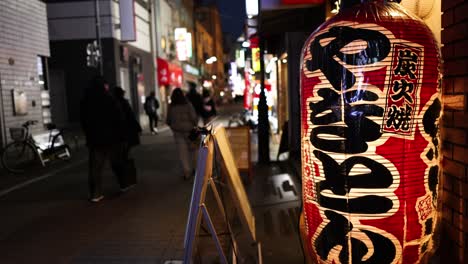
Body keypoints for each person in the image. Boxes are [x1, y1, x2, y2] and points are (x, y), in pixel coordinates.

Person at [80, 76, 126, 202]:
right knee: (116, 162)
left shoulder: (86, 101)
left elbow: (83, 121)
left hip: (95, 138)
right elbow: (119, 118)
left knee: (95, 167)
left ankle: (95, 194)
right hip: (111, 137)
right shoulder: (109, 99)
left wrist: (88, 133)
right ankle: (123, 184)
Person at [166, 88, 198, 180]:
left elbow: (168, 120)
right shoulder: (188, 104)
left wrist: (173, 126)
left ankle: (187, 172)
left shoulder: (171, 106)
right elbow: (193, 117)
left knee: (182, 153)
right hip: (189, 131)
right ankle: (196, 169)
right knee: (194, 150)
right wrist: (195, 125)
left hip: (178, 132)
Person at [113, 86, 142, 157]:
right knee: (125, 147)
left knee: (120, 148)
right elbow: (130, 115)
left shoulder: (113, 102)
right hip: (126, 128)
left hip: (117, 129)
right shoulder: (124, 102)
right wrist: (137, 127)